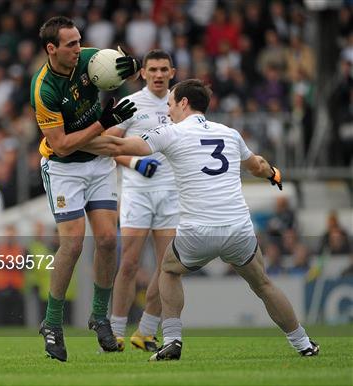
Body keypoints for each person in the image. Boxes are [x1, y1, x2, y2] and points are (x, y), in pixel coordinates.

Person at [83, 79, 319, 360]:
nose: (168, 111)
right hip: (238, 228)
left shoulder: (171, 133)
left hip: (198, 231)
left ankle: (171, 340)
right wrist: (274, 174)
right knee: (263, 285)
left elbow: (120, 146)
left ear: (183, 103)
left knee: (168, 270)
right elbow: (258, 165)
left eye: (170, 104)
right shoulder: (230, 133)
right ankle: (303, 343)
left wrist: (79, 140)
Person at [30, 16, 139, 362]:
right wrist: (104, 123)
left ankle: (99, 316)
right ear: (52, 49)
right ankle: (52, 323)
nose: (80, 48)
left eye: (79, 41)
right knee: (73, 243)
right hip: (63, 169)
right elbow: (61, 145)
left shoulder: (91, 60)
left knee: (108, 239)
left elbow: (120, 69)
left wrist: (132, 66)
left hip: (96, 164)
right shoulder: (44, 88)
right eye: (71, 44)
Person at [106, 49, 178, 352]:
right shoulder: (131, 104)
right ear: (143, 73)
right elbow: (107, 144)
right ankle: (114, 333)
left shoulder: (182, 104)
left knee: (168, 268)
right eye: (153, 69)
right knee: (130, 263)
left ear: (172, 73)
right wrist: (136, 163)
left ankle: (146, 330)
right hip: (137, 193)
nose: (159, 74)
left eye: (164, 69)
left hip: (172, 192)